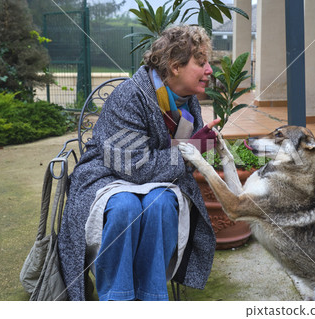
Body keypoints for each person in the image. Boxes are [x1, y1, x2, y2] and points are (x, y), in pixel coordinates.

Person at [58, 25, 220, 301]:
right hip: (106, 176)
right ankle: (118, 299)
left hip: (154, 181)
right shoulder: (130, 95)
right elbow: (135, 166)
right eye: (201, 63)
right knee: (125, 206)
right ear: (175, 66)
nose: (210, 71)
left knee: (161, 205)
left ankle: (151, 297)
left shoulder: (187, 102)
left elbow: (186, 166)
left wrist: (200, 149)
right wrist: (192, 149)